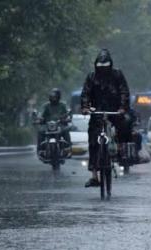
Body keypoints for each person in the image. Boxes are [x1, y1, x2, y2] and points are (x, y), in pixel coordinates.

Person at [81, 49, 132, 187]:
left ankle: (122, 152)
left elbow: (124, 92)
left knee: (126, 124)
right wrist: (85, 107)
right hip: (97, 113)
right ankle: (94, 176)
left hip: (115, 112)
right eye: (100, 67)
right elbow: (85, 93)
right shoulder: (91, 77)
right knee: (93, 140)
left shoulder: (117, 75)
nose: (103, 70)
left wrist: (122, 108)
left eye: (105, 66)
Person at [36, 88, 72, 154]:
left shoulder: (63, 105)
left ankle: (68, 147)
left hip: (60, 125)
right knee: (40, 131)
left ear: (58, 97)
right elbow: (40, 113)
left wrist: (67, 118)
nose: (53, 99)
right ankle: (40, 149)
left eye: (55, 97)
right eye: (52, 97)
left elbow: (68, 112)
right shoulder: (46, 106)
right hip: (47, 126)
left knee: (66, 130)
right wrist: (39, 119)